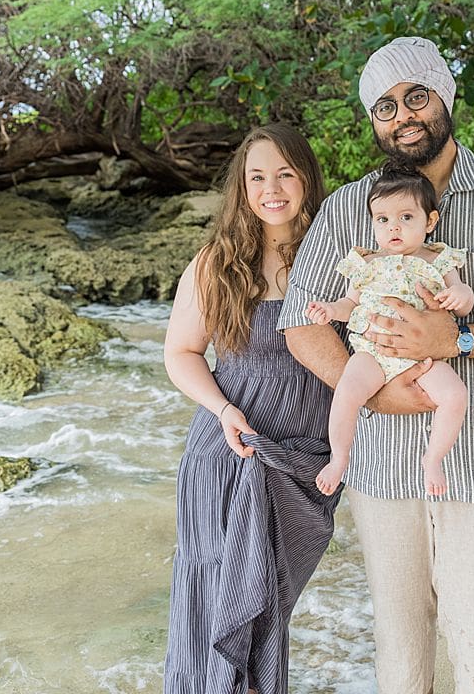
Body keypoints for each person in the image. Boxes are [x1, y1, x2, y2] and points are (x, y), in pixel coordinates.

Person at [279, 36, 474, 693]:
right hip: (381, 468)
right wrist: (374, 394)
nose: (404, 116)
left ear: (444, 96)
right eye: (385, 106)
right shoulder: (347, 209)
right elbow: (301, 326)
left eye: (416, 97)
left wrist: (460, 340)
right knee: (401, 653)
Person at [163, 123, 341, 694]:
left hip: (305, 463)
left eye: (285, 174)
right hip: (229, 452)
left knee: (267, 609)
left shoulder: (336, 259)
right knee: (212, 601)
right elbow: (181, 354)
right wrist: (221, 408)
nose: (272, 189)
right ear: (241, 187)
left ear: (307, 179)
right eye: (257, 177)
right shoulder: (215, 263)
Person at [305, 164, 472, 497]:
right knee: (347, 392)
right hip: (373, 353)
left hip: (423, 357)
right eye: (382, 219)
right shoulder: (366, 264)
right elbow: (350, 303)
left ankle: (433, 458)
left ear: (430, 221)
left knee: (455, 396)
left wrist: (460, 295)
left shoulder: (438, 260)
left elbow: (463, 302)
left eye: (406, 217)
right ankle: (339, 458)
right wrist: (331, 310)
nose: (393, 227)